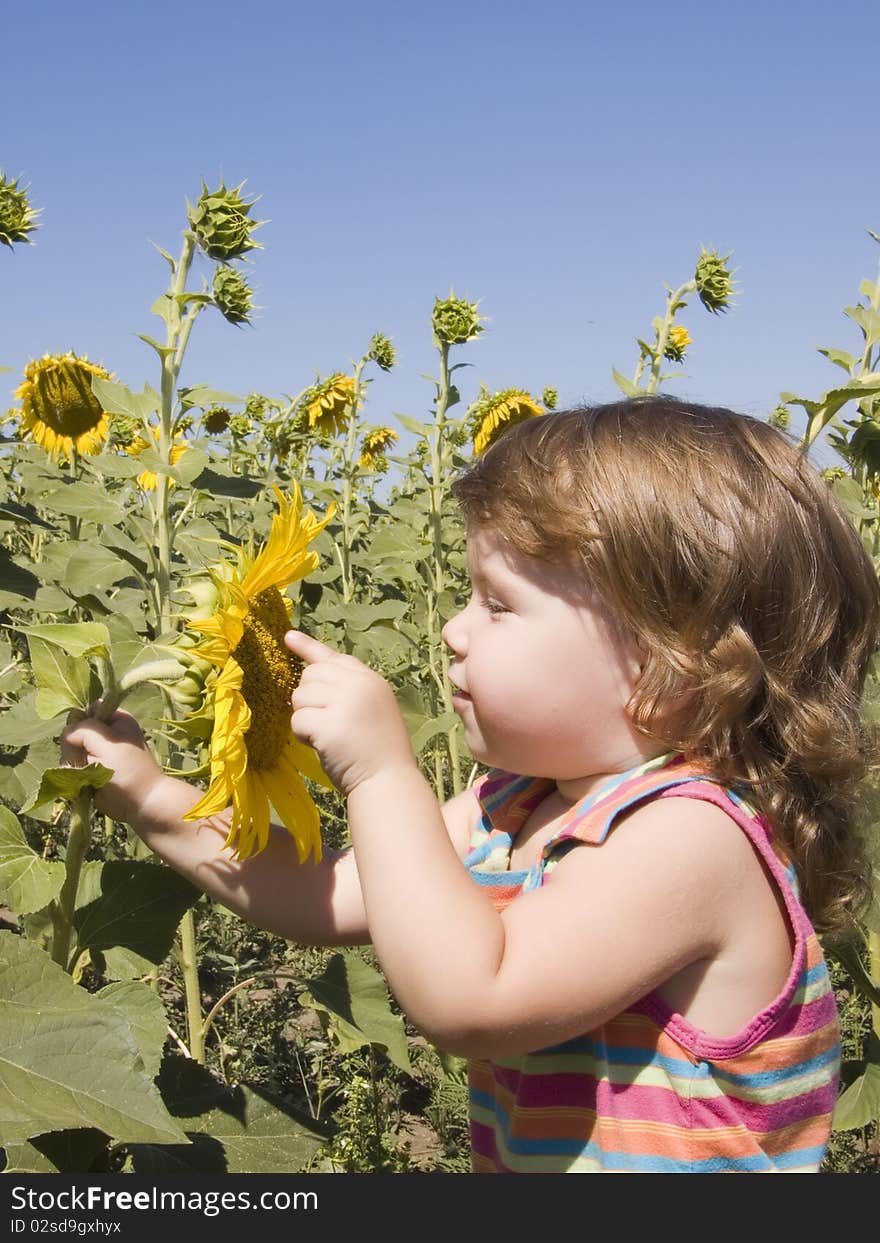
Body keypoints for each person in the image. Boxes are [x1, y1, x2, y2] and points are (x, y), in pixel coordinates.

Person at [61, 397, 879, 1174]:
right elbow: (324, 891)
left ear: (668, 665)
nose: (453, 630)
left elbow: (469, 1000)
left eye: (497, 604)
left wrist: (382, 775)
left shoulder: (694, 840)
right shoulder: (515, 802)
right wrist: (148, 794)